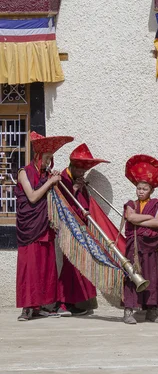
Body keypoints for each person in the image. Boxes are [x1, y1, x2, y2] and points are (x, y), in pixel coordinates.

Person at [16, 131, 74, 321]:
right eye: (46, 158)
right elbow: (32, 197)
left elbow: (57, 199)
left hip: (45, 224)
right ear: (38, 156)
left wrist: (56, 181)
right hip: (30, 228)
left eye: (51, 159)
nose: (48, 163)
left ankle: (42, 305)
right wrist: (49, 182)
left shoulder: (48, 174)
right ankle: (27, 307)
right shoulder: (24, 172)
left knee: (45, 267)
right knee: (30, 267)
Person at [55, 143, 109, 317]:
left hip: (81, 228)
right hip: (69, 228)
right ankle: (63, 302)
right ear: (73, 166)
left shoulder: (77, 179)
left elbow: (84, 204)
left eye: (84, 170)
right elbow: (64, 204)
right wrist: (76, 190)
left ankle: (73, 302)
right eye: (80, 169)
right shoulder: (63, 179)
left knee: (78, 265)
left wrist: (81, 188)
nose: (82, 173)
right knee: (71, 264)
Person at [122, 155, 158, 324]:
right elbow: (130, 218)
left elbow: (157, 222)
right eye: (139, 188)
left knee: (151, 277)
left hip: (150, 248)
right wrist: (148, 217)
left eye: (144, 189)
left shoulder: (157, 203)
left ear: (151, 190)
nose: (141, 191)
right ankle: (128, 311)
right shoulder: (131, 204)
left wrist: (142, 218)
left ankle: (151, 312)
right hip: (134, 247)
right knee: (132, 276)